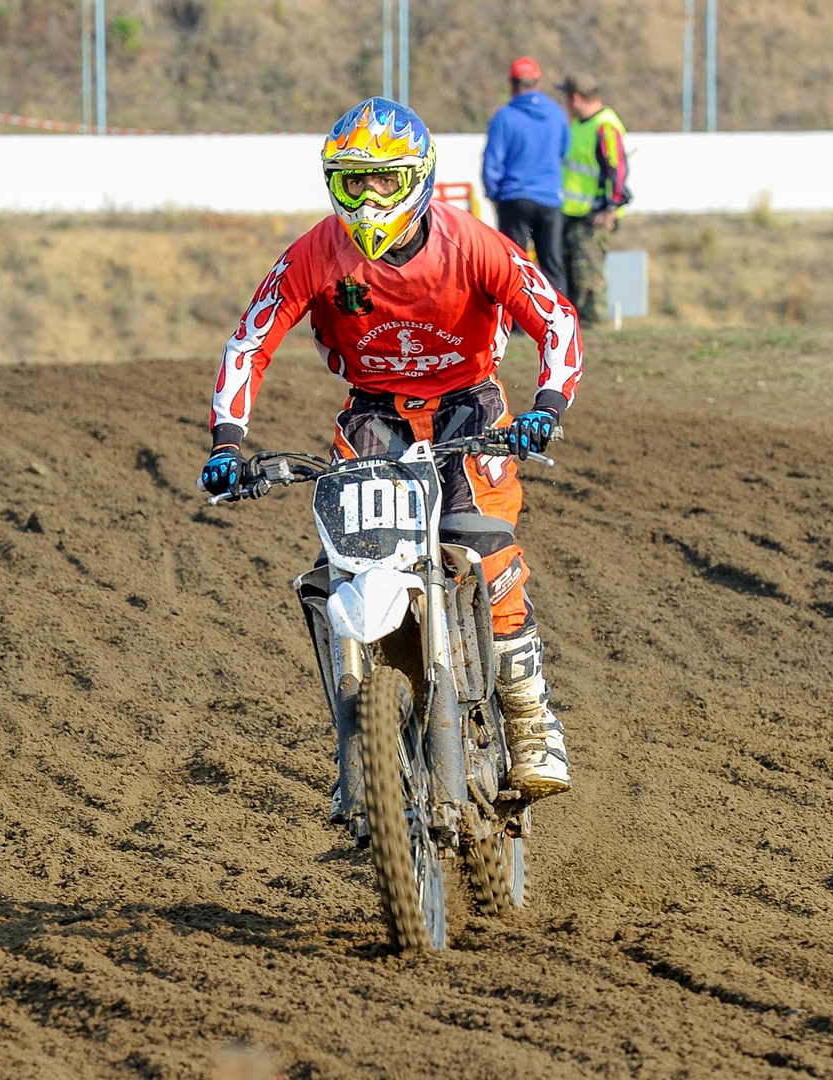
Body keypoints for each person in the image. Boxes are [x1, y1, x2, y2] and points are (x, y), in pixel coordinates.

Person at [199, 98, 583, 799]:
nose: (369, 198)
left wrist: (546, 408)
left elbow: (554, 319)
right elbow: (250, 342)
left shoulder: (472, 243)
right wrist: (228, 443)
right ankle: (360, 748)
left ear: (419, 178)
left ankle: (531, 721)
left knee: (484, 547)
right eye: (353, 182)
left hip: (469, 406)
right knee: (344, 568)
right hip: (374, 413)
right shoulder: (316, 252)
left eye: (384, 179)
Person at [483, 57, 570, 296]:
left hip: (515, 199)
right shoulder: (557, 115)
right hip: (550, 198)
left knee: (513, 266)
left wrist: (493, 194)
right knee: (552, 264)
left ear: (512, 85)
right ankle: (559, 314)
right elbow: (564, 150)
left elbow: (492, 162)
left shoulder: (505, 117)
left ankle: (514, 316)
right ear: (538, 84)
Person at [556, 73, 629, 328]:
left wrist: (611, 207)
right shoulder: (578, 126)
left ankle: (593, 325)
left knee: (589, 274)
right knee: (574, 274)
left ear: (575, 98)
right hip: (573, 212)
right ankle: (578, 325)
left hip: (594, 215)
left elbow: (616, 169)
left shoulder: (604, 126)